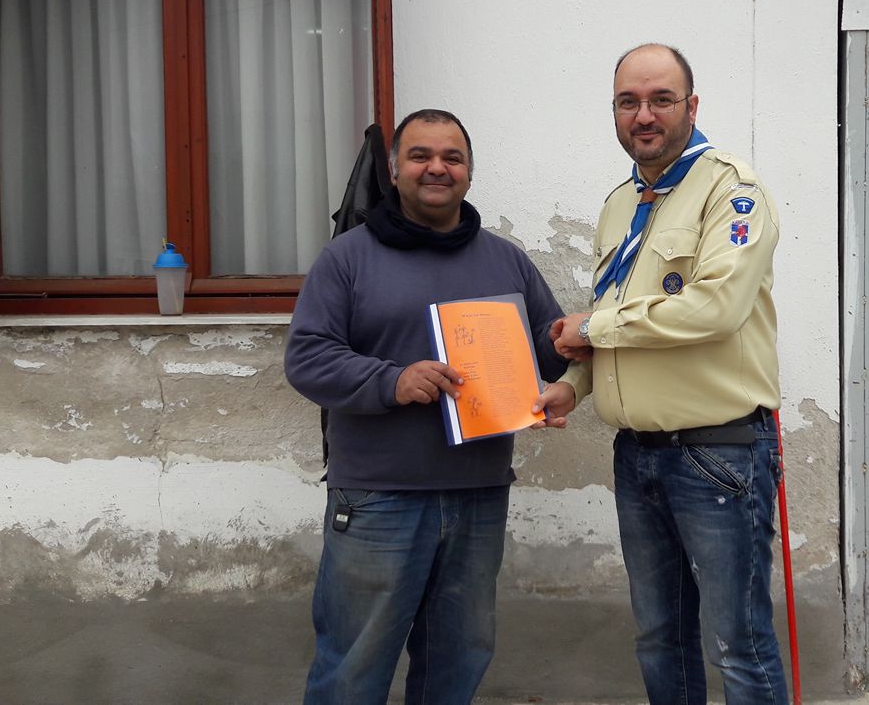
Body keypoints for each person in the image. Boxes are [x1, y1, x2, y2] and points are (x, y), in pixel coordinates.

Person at [285, 109, 571, 704]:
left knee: (457, 661)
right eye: (420, 156)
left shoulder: (507, 260)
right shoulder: (347, 258)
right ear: (394, 171)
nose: (437, 168)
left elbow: (546, 352)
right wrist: (392, 380)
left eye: (452, 157)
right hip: (377, 498)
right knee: (354, 665)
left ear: (469, 172)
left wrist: (571, 343)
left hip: (479, 494)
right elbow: (307, 358)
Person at [537, 44, 787, 704]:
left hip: (718, 456)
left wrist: (593, 330)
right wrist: (570, 388)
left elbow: (715, 309)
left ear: (691, 106)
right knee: (659, 638)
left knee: (738, 645)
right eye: (629, 102)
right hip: (637, 457)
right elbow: (614, 321)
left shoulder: (732, 191)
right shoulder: (621, 202)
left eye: (660, 100)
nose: (643, 116)